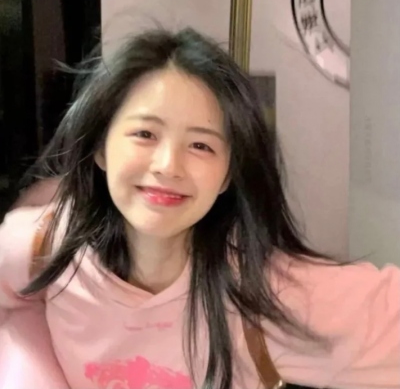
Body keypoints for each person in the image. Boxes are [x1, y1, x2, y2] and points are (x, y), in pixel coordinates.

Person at [0, 28, 399, 389]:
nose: (168, 166)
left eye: (201, 145)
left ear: (227, 175)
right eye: (145, 133)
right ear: (101, 148)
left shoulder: (267, 293)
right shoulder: (41, 247)